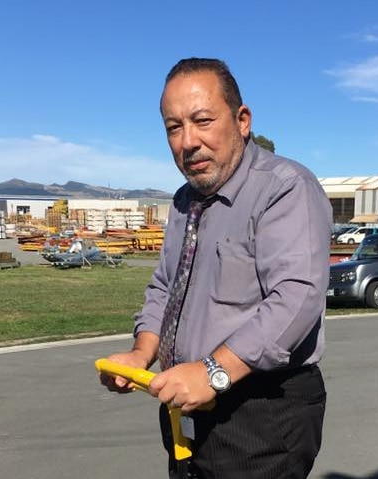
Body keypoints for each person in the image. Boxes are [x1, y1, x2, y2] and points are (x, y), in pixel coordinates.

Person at [100, 57, 332, 479]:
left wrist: (213, 372)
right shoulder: (183, 201)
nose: (188, 141)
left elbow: (297, 298)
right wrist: (141, 352)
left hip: (259, 413)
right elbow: (165, 288)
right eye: (174, 127)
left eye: (202, 120)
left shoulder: (284, 188)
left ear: (242, 120)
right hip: (187, 404)